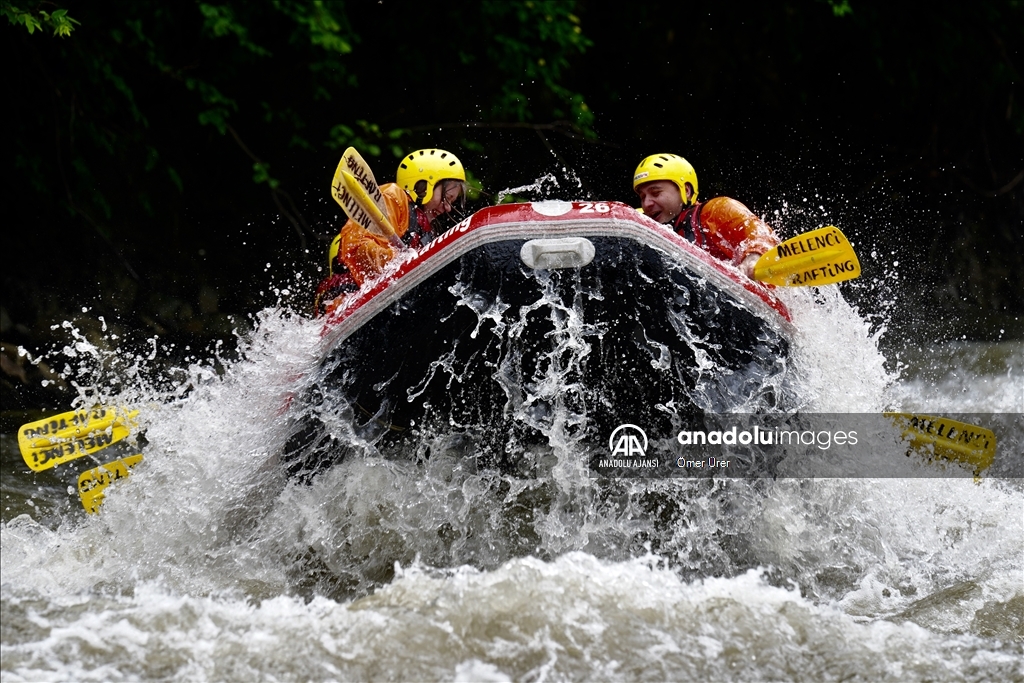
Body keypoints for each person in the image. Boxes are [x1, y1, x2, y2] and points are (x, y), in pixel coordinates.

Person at [315, 148, 467, 314]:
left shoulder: (426, 232)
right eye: (447, 198)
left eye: (451, 202)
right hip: (345, 303)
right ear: (422, 186)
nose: (447, 208)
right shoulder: (393, 198)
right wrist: (398, 261)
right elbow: (359, 250)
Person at [632, 153, 779, 278]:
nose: (647, 203)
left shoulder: (716, 211)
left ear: (686, 191)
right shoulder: (642, 223)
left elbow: (758, 232)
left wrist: (754, 257)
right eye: (643, 196)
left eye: (655, 193)